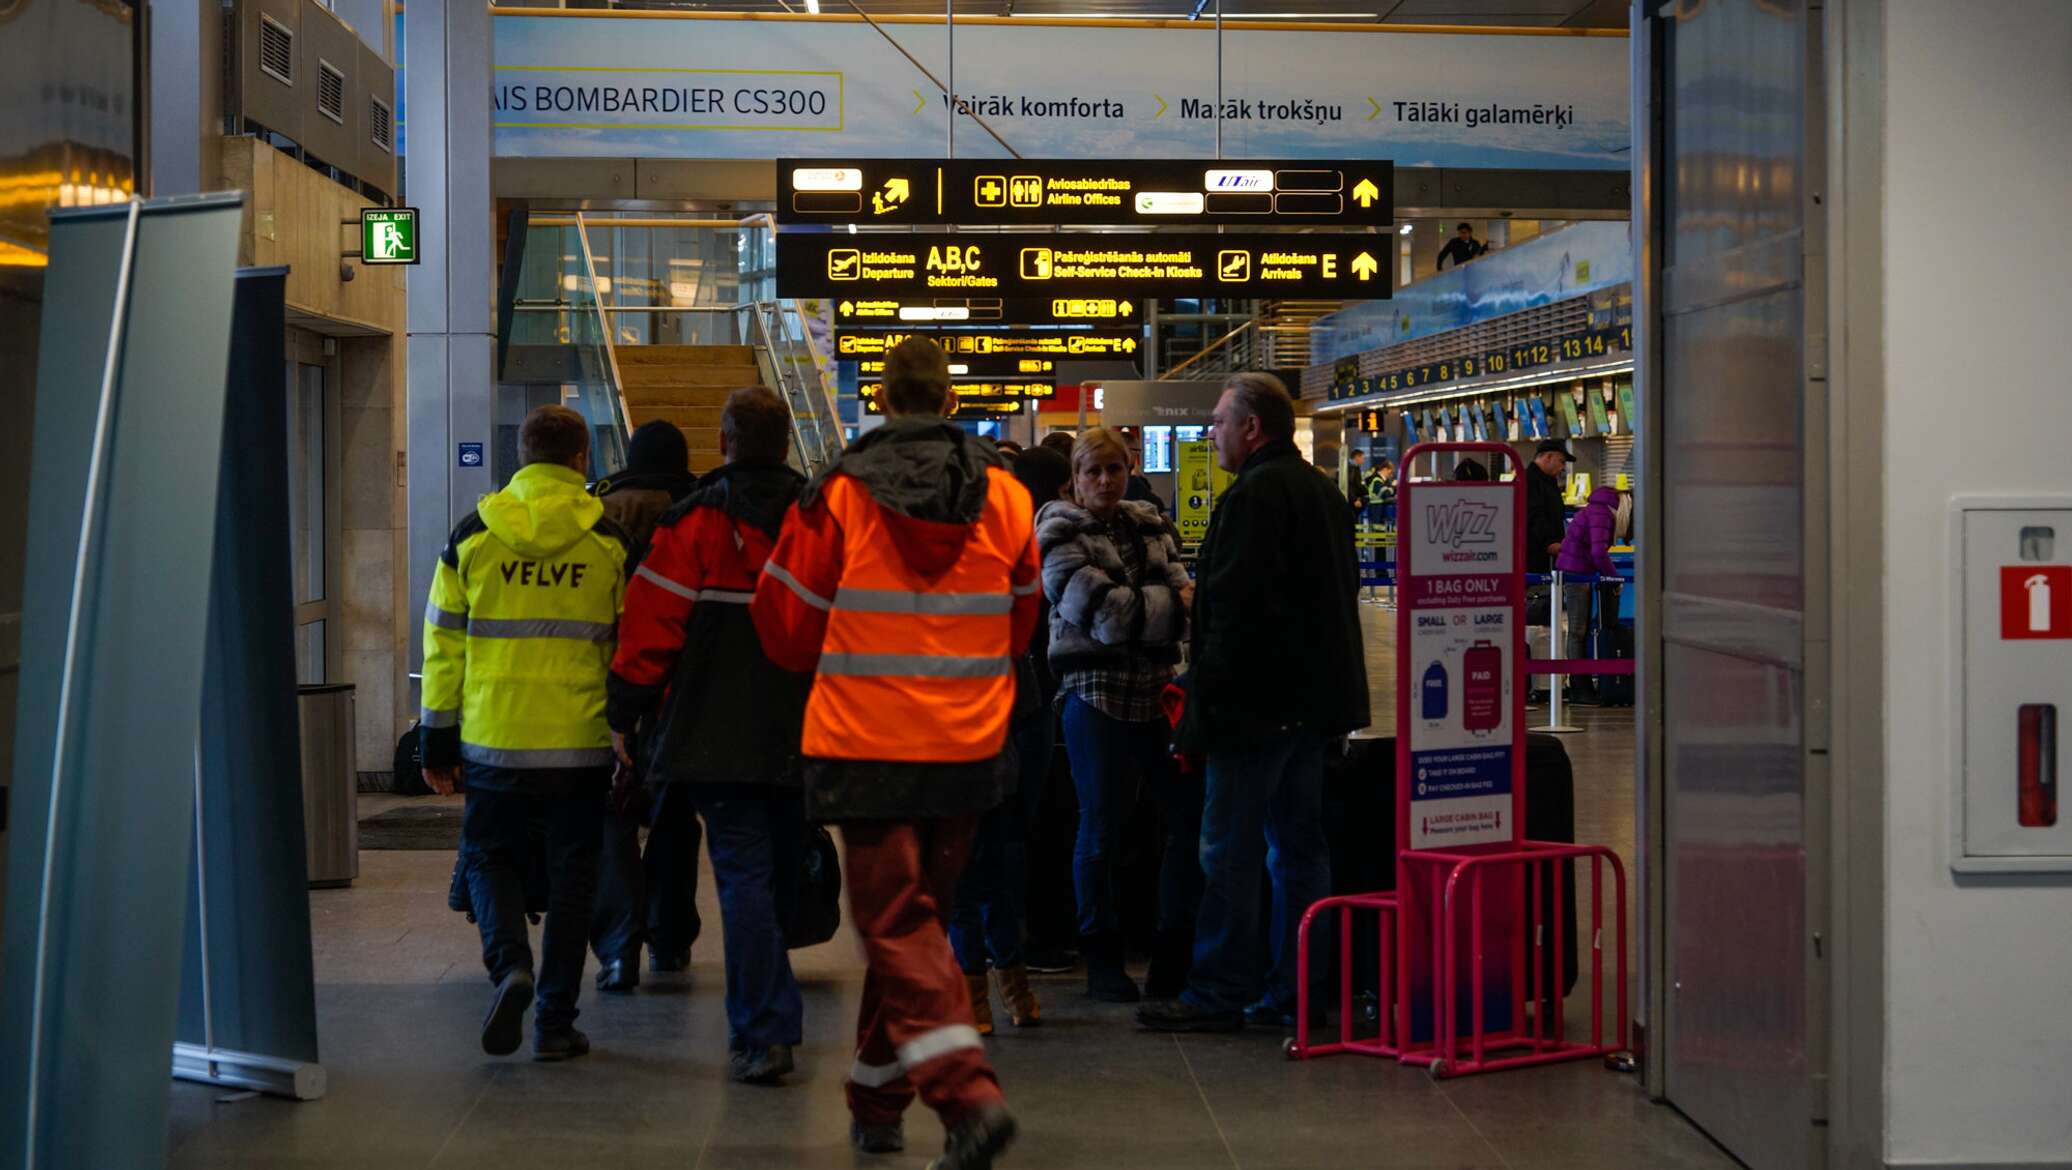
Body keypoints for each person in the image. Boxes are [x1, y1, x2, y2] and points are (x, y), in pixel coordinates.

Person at [752, 336, 1031, 1169]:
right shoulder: (1009, 497)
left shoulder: (837, 495)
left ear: (880, 397)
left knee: (896, 929)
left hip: (865, 741)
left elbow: (786, 624)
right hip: (970, 742)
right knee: (917, 931)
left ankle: (966, 1098)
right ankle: (876, 1099)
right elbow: (1023, 624)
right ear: (951, 401)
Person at [1137, 373, 1369, 1033]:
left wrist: (1204, 694)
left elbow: (1236, 614)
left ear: (1251, 428)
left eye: (1218, 422)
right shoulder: (1324, 493)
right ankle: (1297, 990)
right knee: (1299, 848)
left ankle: (1218, 990)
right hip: (1316, 703)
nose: (1212, 433)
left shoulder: (1253, 497)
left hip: (1256, 708)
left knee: (1228, 850)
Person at [608, 387, 811, 1085]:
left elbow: (650, 628)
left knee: (745, 877)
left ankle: (765, 1030)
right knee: (782, 871)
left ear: (723, 444)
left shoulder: (693, 523)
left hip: (714, 732)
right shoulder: (824, 521)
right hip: (809, 729)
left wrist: (625, 713)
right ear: (784, 444)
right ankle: (772, 1010)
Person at [421, 404, 633, 1062]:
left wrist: (436, 741)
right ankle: (555, 1020)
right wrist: (631, 735)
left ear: (523, 458)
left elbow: (441, 649)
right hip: (581, 743)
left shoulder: (473, 536)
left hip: (495, 742)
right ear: (581, 460)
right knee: (574, 877)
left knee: (488, 858)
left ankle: (510, 965)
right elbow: (630, 649)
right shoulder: (609, 541)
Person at [1040, 428, 1200, 1005]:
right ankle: (1100, 953)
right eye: (1093, 472)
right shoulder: (1058, 529)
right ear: (1075, 480)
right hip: (1094, 696)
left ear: (1130, 468)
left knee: (1183, 823)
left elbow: (1189, 604)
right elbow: (1101, 615)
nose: (1105, 480)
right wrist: (1164, 607)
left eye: (1114, 468)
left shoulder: (1150, 523)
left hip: (1157, 694)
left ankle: (1171, 946)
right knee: (1100, 829)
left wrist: (1152, 608)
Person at [950, 444, 1072, 1035]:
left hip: (1013, 712)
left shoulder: (1011, 547)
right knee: (974, 861)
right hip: (974, 716)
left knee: (1002, 854)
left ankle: (1003, 976)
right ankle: (977, 982)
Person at [588, 418, 703, 994]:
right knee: (676, 818)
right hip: (680, 687)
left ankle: (617, 943)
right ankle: (670, 937)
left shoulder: (601, 504)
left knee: (614, 814)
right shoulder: (699, 503)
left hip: (609, 678)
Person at [1555, 480, 1622, 704]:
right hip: (1576, 574)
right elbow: (1598, 552)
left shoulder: (1595, 509)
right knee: (1577, 630)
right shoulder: (1602, 513)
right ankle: (1579, 687)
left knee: (1579, 630)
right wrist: (1614, 577)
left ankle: (1580, 685)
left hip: (1578, 571)